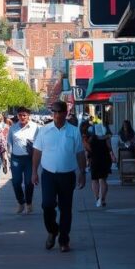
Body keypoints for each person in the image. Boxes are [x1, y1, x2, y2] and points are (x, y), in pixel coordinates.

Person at [31, 100, 86, 253]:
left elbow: (80, 153)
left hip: (67, 175)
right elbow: (37, 152)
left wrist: (82, 172)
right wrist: (34, 171)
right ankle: (52, 230)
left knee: (66, 209)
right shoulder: (44, 130)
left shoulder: (74, 131)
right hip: (48, 174)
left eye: (59, 112)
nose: (56, 115)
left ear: (65, 113)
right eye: (54, 112)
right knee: (47, 205)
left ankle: (64, 240)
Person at [7, 106, 38, 214]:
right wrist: (9, 157)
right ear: (17, 116)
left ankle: (28, 203)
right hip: (16, 158)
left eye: (24, 115)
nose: (22, 117)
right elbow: (10, 142)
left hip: (30, 159)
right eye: (20, 115)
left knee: (29, 182)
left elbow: (39, 144)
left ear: (28, 116)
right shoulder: (13, 128)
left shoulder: (35, 127)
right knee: (16, 182)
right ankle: (21, 202)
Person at [86, 116, 114, 207]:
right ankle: (103, 198)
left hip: (94, 159)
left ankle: (97, 197)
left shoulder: (91, 138)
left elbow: (88, 149)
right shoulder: (106, 137)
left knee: (94, 179)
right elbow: (109, 148)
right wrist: (112, 155)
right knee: (103, 179)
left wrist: (87, 159)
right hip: (105, 158)